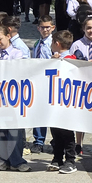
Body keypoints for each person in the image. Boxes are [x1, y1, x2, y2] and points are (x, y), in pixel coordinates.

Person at [0, 26, 30, 172]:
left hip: (13, 97)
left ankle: (17, 160)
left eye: (0, 39)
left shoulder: (17, 53)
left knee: (14, 130)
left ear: (8, 36)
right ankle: (3, 159)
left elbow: (17, 71)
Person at [69, 14, 92, 156]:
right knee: (81, 115)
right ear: (83, 29)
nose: (91, 31)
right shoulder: (77, 44)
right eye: (88, 28)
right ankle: (78, 143)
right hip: (82, 84)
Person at [48, 30, 78, 173]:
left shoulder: (73, 59)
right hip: (55, 102)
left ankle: (70, 160)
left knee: (67, 132)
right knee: (55, 131)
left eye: (52, 42)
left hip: (67, 103)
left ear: (57, 43)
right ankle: (57, 158)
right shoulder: (53, 59)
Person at [29, 16, 55, 153]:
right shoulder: (37, 43)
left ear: (53, 28)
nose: (45, 30)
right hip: (38, 81)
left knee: (52, 111)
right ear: (38, 28)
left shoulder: (54, 43)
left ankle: (56, 139)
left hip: (51, 81)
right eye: (42, 27)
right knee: (38, 111)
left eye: (47, 27)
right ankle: (38, 140)